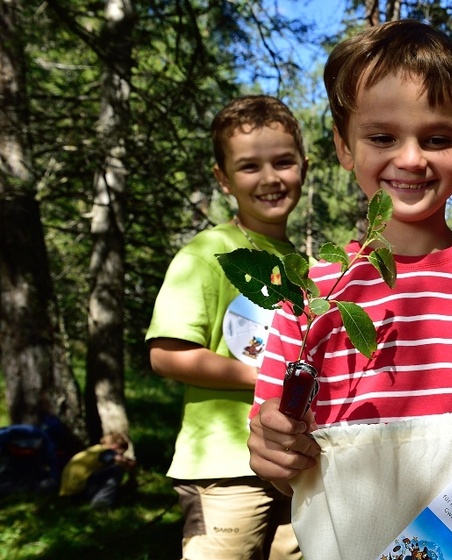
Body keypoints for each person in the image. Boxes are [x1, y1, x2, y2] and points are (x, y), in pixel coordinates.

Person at [244, 20, 452, 559]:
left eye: (438, 138)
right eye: (382, 137)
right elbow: (279, 456)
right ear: (343, 147)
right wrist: (273, 449)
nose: (412, 158)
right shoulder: (310, 295)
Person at [145, 95, 306, 559]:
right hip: (225, 467)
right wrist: (269, 377)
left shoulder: (304, 267)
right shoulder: (208, 252)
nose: (271, 178)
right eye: (249, 167)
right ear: (223, 179)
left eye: (283, 162)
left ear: (304, 166)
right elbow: (166, 354)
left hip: (294, 465)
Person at [59, 433, 137, 509]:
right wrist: (132, 475)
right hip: (80, 490)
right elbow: (121, 461)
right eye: (122, 452)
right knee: (117, 469)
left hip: (69, 492)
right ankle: (102, 501)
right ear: (116, 446)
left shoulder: (94, 449)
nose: (122, 455)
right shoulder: (106, 452)